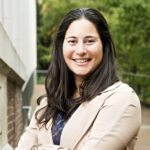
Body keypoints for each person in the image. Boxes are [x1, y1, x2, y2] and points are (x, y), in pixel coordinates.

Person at [16, 8, 141, 150]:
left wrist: (37, 148)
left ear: (104, 46)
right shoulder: (49, 102)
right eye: (72, 41)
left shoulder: (122, 99)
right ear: (61, 47)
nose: (80, 50)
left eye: (89, 41)